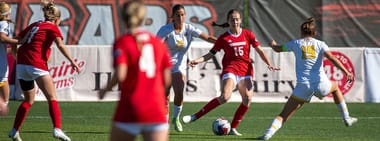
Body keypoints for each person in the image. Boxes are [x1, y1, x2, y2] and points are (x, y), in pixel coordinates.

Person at [182, 9, 279, 136]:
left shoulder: (248, 34)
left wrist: (269, 64)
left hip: (246, 71)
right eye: (232, 19)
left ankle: (233, 128)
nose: (235, 21)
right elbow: (210, 54)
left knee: (248, 99)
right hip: (231, 69)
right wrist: (197, 61)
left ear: (240, 20)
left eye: (237, 19)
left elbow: (260, 51)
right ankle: (195, 116)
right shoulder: (223, 38)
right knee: (225, 97)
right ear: (228, 21)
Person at [258, 17, 357, 140]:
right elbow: (332, 58)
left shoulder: (295, 44)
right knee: (336, 87)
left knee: (283, 115)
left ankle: (267, 135)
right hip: (321, 84)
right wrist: (346, 71)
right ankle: (347, 118)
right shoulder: (321, 44)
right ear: (315, 33)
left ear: (301, 32)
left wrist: (272, 45)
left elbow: (278, 49)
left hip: (303, 86)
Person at [98, 0, 172, 141]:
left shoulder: (123, 42)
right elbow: (167, 80)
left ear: (123, 17)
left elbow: (121, 74)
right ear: (143, 18)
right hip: (155, 109)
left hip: (130, 107)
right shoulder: (157, 43)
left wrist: (105, 90)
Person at [8, 1, 79, 141]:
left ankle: (14, 130)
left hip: (22, 65)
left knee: (28, 100)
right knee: (52, 98)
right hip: (36, 64)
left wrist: (17, 57)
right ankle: (57, 129)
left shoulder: (35, 25)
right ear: (57, 19)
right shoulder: (52, 27)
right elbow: (60, 44)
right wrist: (72, 61)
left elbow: (16, 40)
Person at [156, 4, 217, 132]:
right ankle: (164, 123)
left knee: (179, 92)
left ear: (185, 16)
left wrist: (224, 42)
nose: (180, 17)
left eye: (182, 14)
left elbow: (208, 38)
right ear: (172, 16)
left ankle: (176, 118)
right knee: (165, 96)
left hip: (179, 67)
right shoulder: (165, 30)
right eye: (177, 15)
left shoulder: (189, 29)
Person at [0, 1, 20, 115]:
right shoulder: (3, 23)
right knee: (3, 80)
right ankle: (5, 103)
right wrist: (18, 41)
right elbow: (2, 38)